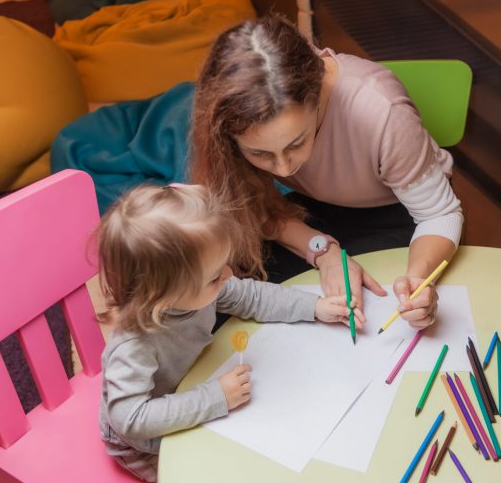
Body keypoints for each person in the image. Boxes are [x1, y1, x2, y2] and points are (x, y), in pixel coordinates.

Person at [189, 15, 463, 330]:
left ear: (317, 95)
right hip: (311, 208)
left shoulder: (381, 112)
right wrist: (323, 251)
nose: (284, 167)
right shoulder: (224, 121)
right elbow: (250, 205)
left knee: (368, 309)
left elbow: (438, 213)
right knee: (219, 298)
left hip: (399, 212)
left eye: (297, 143)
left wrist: (418, 278)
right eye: (259, 154)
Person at [97, 183, 363, 482]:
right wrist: (215, 397)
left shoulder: (199, 288)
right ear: (161, 297)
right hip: (147, 440)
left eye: (224, 265)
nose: (228, 276)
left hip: (193, 391)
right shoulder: (135, 344)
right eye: (214, 277)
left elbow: (251, 296)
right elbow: (130, 420)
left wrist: (315, 307)